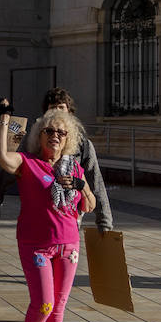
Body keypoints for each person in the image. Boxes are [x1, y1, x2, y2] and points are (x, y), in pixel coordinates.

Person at [0, 100, 94, 322]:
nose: (55, 136)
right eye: (49, 131)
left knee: (59, 307)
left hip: (69, 246)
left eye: (61, 133)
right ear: (40, 135)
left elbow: (91, 202)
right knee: (44, 303)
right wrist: (3, 119)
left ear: (68, 138)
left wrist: (80, 187)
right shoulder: (28, 163)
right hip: (36, 244)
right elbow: (1, 155)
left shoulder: (74, 168)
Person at [42, 88, 113, 233]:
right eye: (52, 108)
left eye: (61, 107)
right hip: (41, 214)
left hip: (70, 216)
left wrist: (104, 224)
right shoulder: (35, 141)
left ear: (69, 112)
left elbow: (96, 183)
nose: (57, 112)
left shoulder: (83, 145)